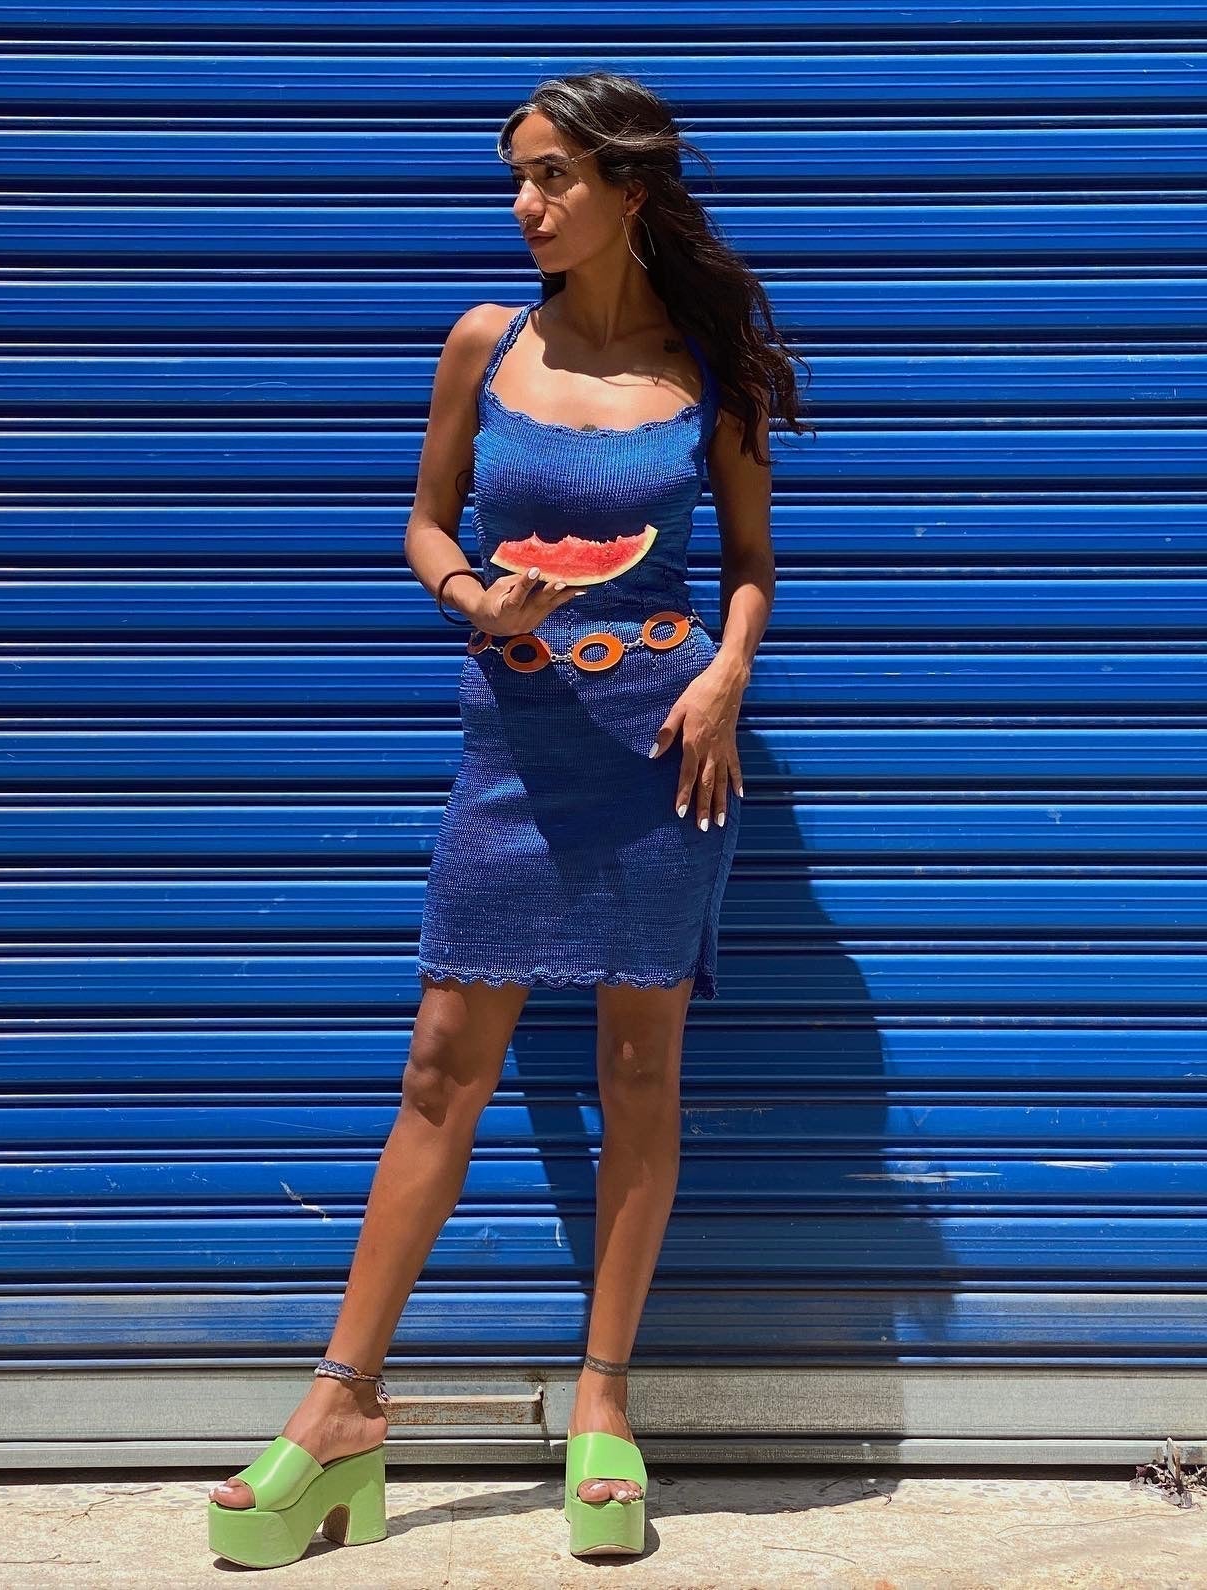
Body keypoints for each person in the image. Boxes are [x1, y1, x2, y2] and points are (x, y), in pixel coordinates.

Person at [207, 68, 806, 1570]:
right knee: (438, 1066)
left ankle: (603, 1405)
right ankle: (342, 1407)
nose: (525, 205)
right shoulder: (486, 341)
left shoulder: (710, 369)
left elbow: (748, 560)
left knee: (639, 1073)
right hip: (516, 732)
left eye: (551, 177)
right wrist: (483, 594)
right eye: (517, 180)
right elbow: (423, 523)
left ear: (629, 189)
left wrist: (728, 674)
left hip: (666, 747)